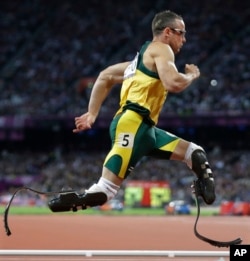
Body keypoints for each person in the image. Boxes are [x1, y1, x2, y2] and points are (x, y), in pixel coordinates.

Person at [48, 10, 215, 212]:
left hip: (147, 131)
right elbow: (173, 83)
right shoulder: (161, 48)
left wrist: (92, 113)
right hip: (133, 124)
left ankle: (205, 193)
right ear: (168, 32)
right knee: (105, 191)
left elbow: (105, 76)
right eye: (182, 33)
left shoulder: (140, 63)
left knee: (194, 153)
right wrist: (191, 75)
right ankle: (66, 201)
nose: (184, 39)